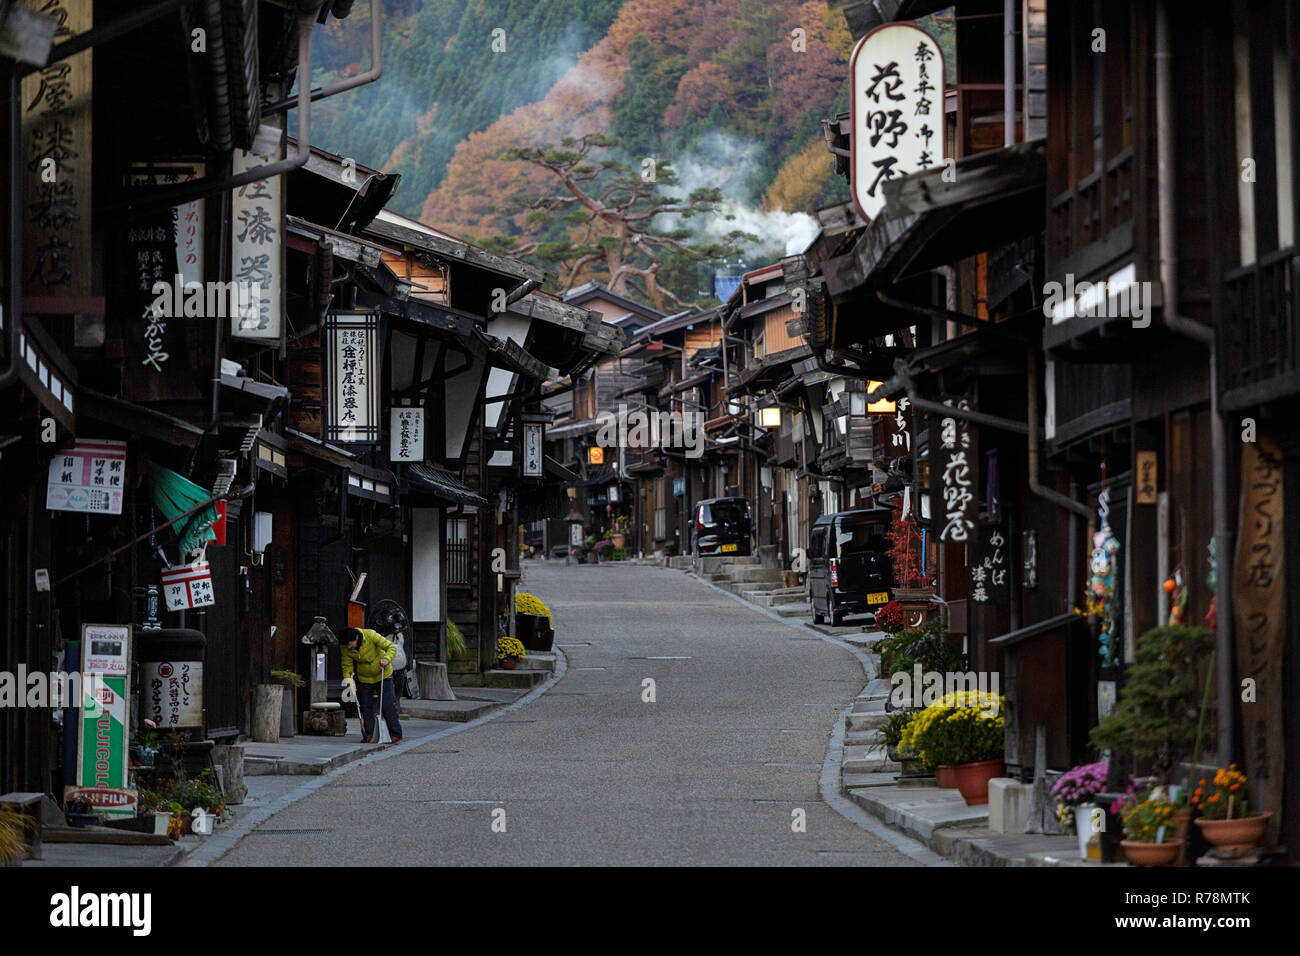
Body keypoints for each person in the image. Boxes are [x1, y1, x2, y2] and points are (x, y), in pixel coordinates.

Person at [338, 626, 403, 743]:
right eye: (346, 645)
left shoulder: (371, 635)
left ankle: (395, 733)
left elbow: (391, 647)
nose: (348, 647)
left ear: (356, 638)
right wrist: (349, 681)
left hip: (382, 673)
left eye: (350, 644)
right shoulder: (345, 647)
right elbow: (346, 665)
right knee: (366, 707)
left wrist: (387, 659)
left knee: (387, 705)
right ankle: (370, 734)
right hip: (364, 678)